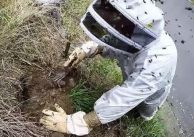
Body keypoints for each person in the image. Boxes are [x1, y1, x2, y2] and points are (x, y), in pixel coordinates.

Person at [40, 0, 177, 136]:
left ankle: (143, 118)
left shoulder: (160, 61)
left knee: (145, 109)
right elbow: (118, 40)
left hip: (153, 86)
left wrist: (82, 123)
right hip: (136, 70)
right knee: (129, 82)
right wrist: (90, 49)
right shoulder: (134, 33)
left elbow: (125, 97)